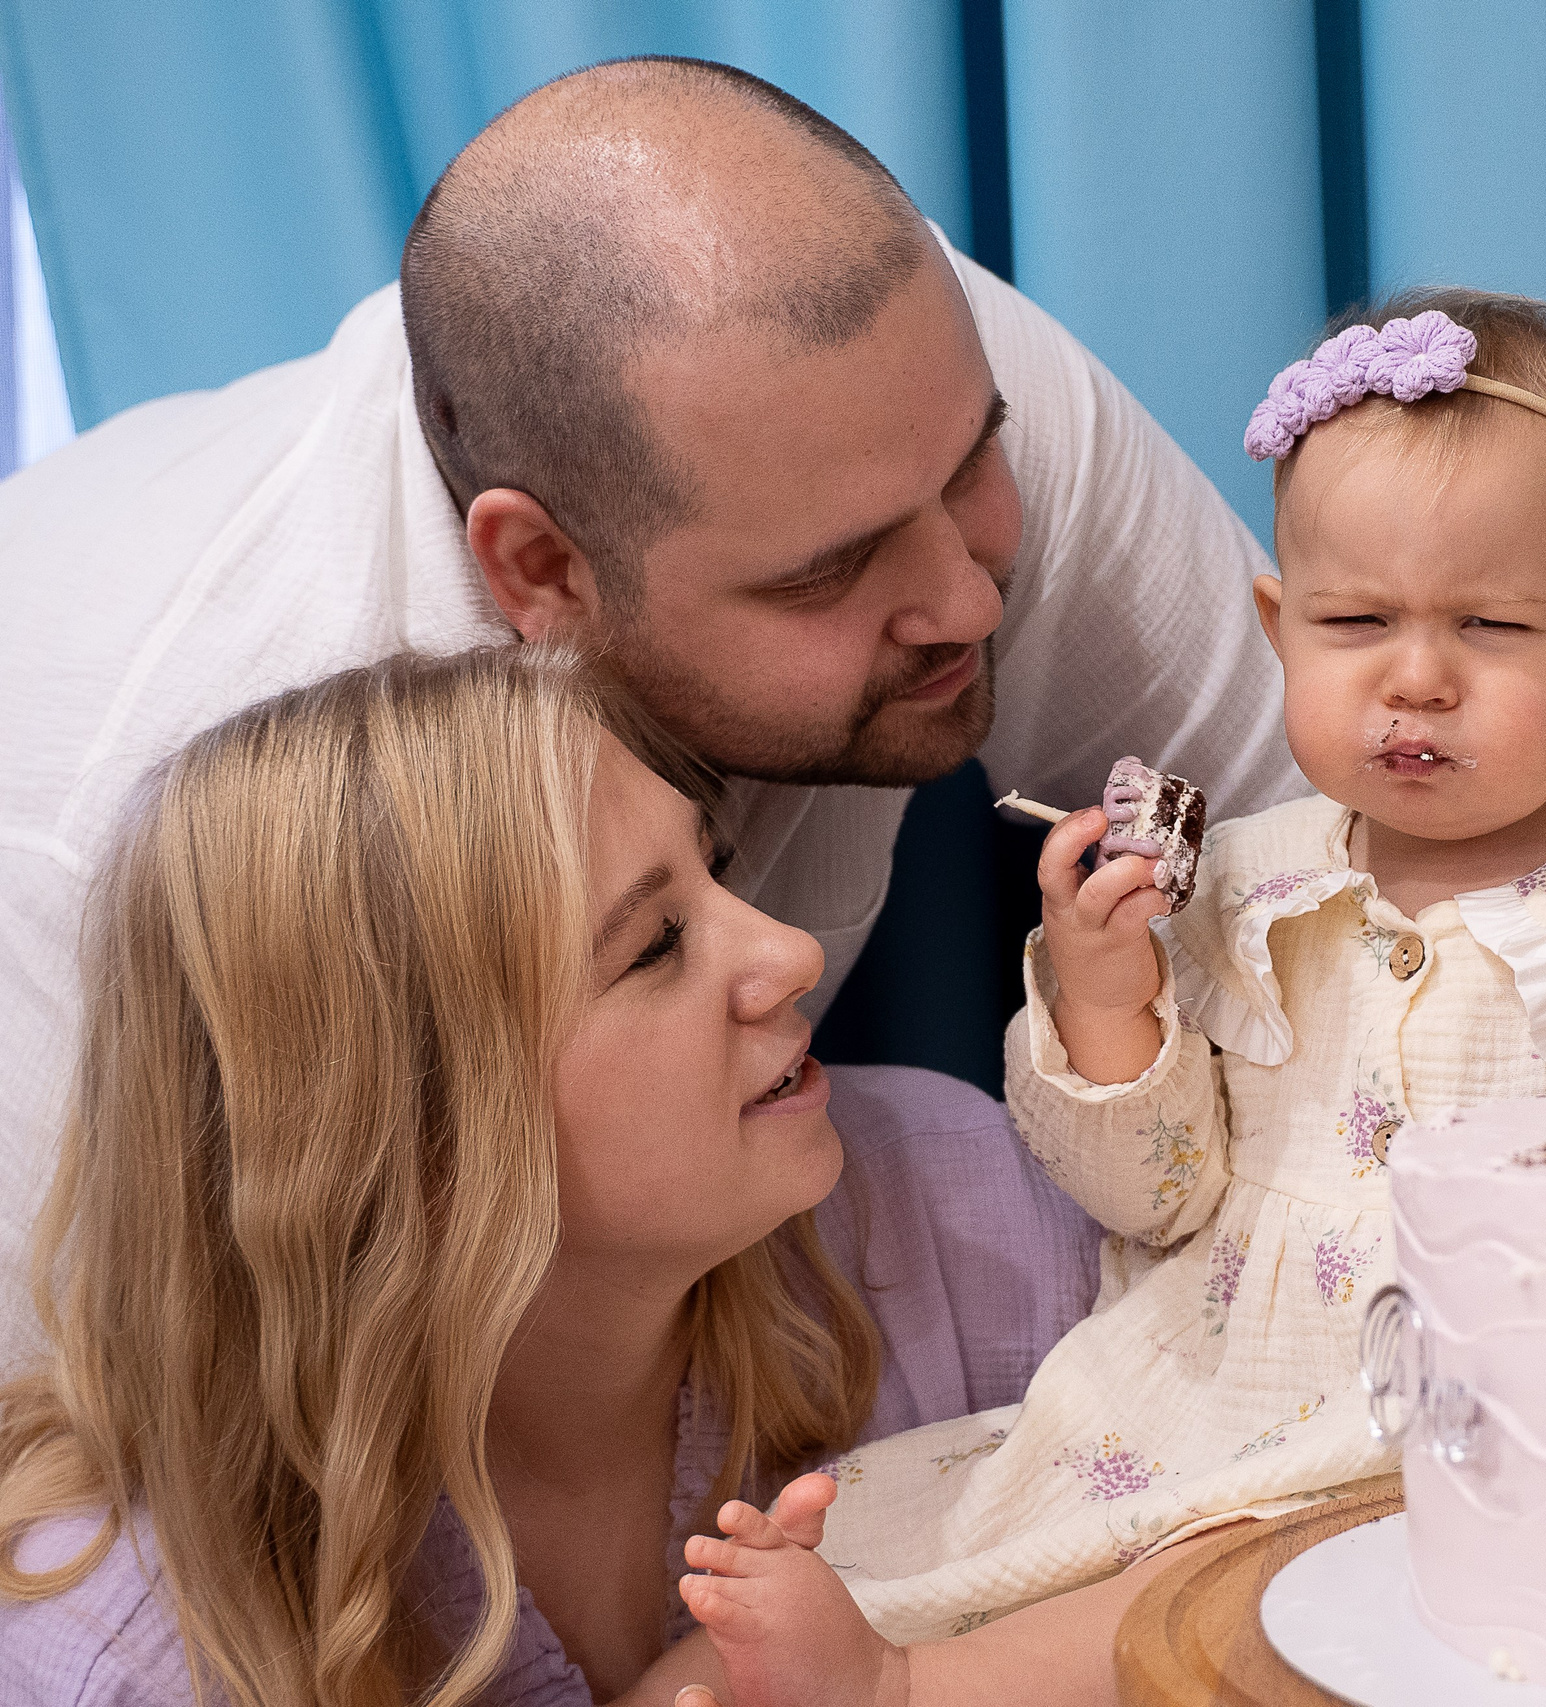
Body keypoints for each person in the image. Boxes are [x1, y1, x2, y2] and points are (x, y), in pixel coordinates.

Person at [0, 55, 1301, 1372]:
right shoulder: (91, 874)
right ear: (544, 572)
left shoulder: (891, 386)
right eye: (824, 571)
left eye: (979, 464)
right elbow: (113, 1498)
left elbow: (1366, 856)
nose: (967, 600)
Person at [664, 290, 1546, 1700]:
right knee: (957, 1549)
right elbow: (1153, 1190)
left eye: (1492, 625)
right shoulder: (1239, 885)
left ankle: (904, 1688)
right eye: (1356, 620)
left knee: (1224, 1595)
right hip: (1202, 1383)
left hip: (1476, 1413)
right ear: (1280, 627)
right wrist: (1107, 994)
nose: (1417, 677)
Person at [0, 648, 1203, 1706]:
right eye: (657, 946)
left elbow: (1328, 1515)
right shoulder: (130, 1648)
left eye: (714, 867)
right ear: (412, 1138)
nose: (788, 954)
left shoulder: (951, 1213)